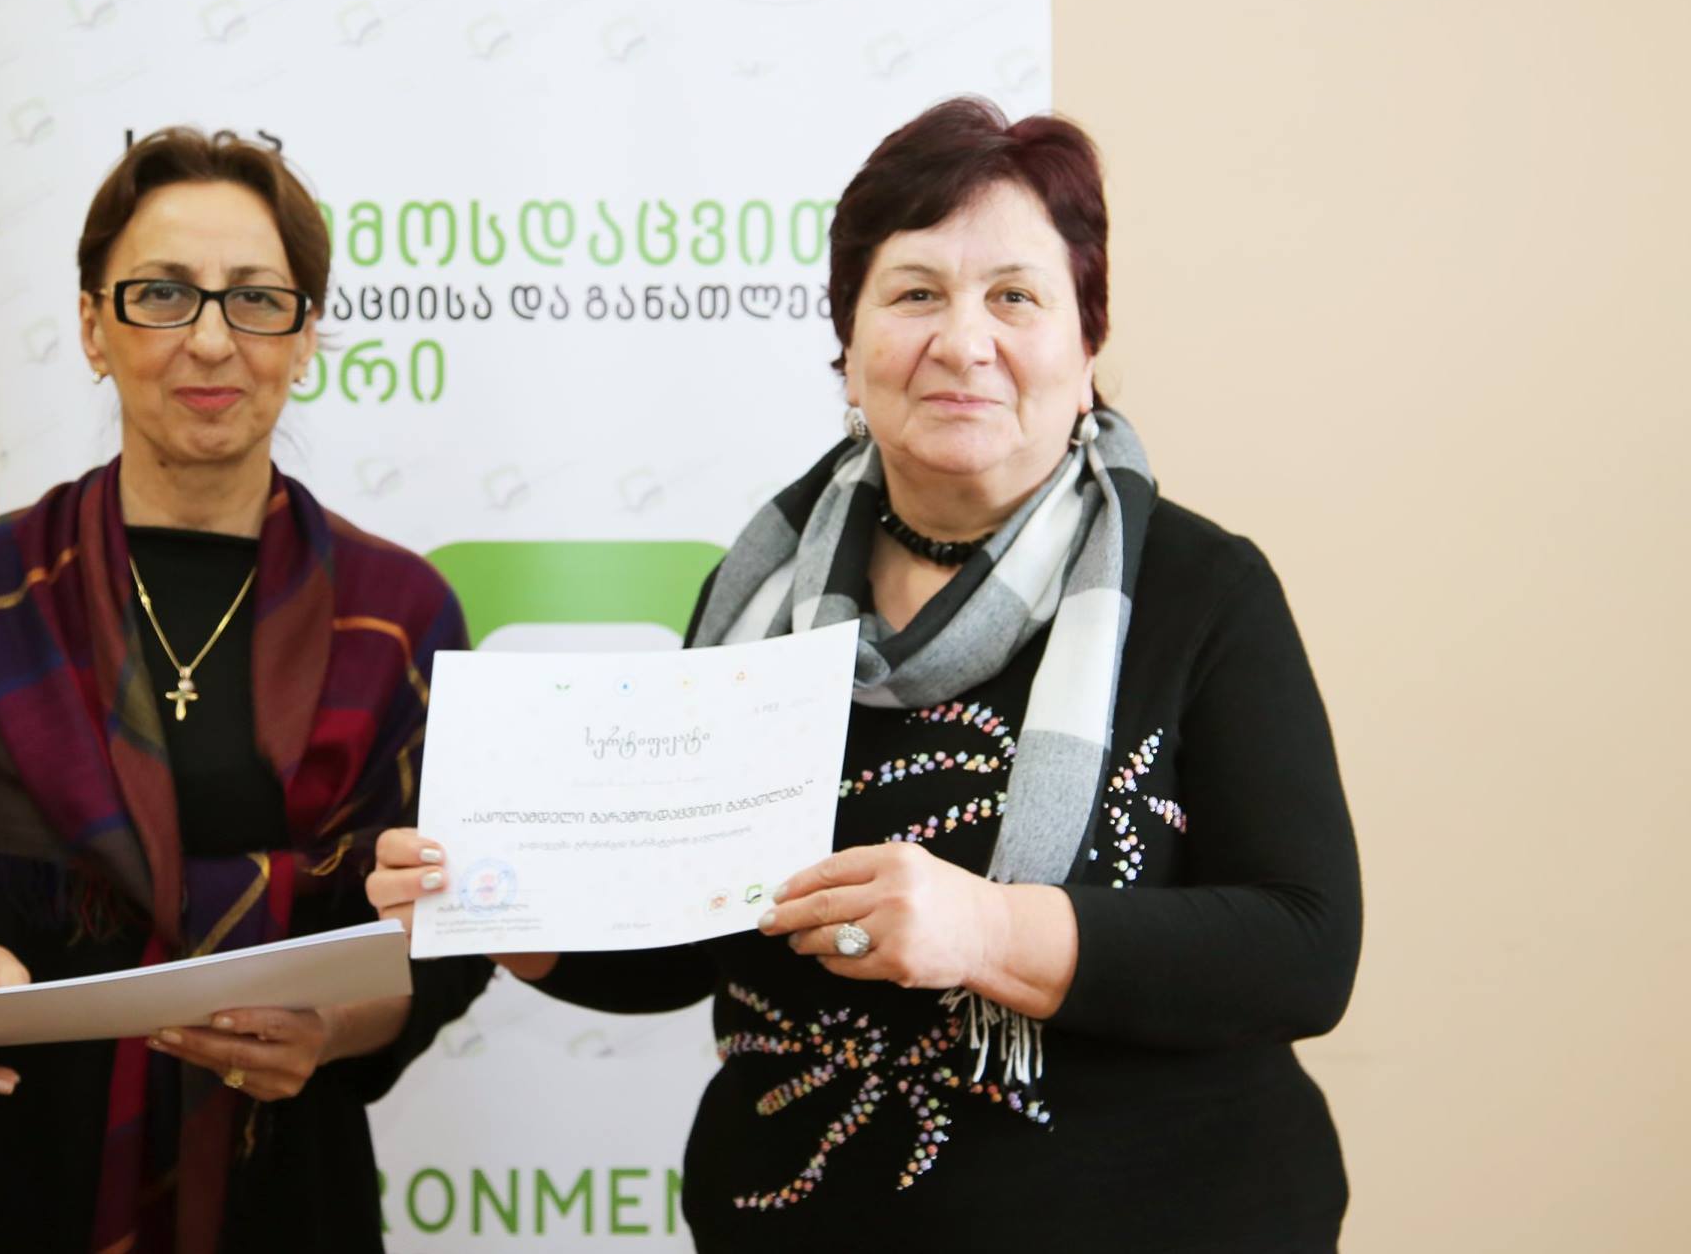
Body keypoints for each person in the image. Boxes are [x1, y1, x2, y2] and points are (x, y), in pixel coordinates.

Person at [368, 98, 1361, 1252]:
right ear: (847, 348)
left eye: (1014, 297)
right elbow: (690, 943)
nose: (963, 342)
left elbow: (1303, 949)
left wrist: (988, 931)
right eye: (914, 293)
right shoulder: (763, 599)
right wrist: (504, 906)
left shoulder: (1197, 589)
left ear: (1086, 347)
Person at [0, 128, 490, 1253]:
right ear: (93, 326)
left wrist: (328, 1028)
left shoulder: (400, 617)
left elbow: (450, 940)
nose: (212, 340)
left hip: (281, 1198)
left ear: (304, 336)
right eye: (163, 294)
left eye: (256, 299)